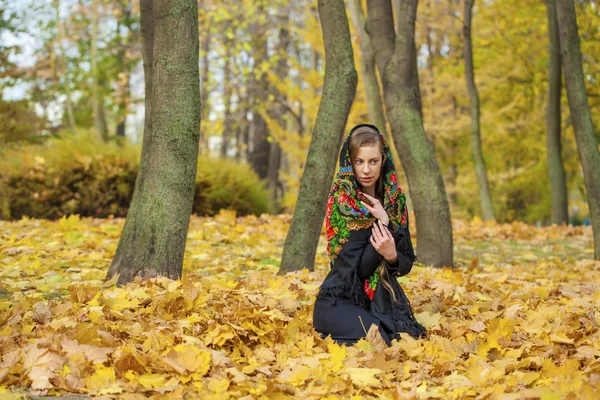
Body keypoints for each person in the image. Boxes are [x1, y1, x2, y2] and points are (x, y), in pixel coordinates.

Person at [313, 123, 426, 346]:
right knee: (379, 340)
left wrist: (392, 256)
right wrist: (383, 224)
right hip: (340, 300)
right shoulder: (343, 202)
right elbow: (357, 273)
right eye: (359, 161)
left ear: (383, 161)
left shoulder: (395, 201)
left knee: (408, 341)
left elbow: (406, 262)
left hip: (381, 297)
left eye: (373, 161)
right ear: (350, 163)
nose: (366, 170)